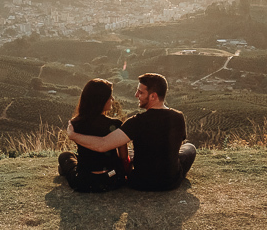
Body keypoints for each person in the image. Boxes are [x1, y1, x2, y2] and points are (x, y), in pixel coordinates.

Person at [66, 72, 195, 192]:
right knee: (189, 148)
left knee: (135, 153)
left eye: (140, 92)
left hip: (140, 182)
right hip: (170, 182)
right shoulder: (178, 117)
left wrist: (74, 135)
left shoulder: (136, 122)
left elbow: (102, 145)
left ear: (153, 96)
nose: (136, 95)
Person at [58, 78, 130, 193]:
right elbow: (123, 156)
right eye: (110, 96)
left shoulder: (75, 124)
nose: (112, 99)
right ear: (101, 100)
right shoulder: (116, 124)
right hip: (113, 178)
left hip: (85, 181)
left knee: (65, 156)